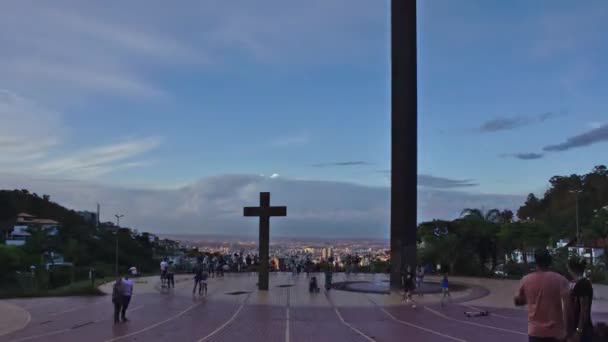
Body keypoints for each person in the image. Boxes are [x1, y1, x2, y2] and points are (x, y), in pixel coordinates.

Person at [514, 249, 570, 342]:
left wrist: (532, 298)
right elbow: (567, 307)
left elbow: (518, 301)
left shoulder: (526, 280)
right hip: (556, 331)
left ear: (536, 262)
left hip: (535, 331)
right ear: (550, 261)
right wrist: (566, 329)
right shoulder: (561, 280)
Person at [567, 258, 593, 342]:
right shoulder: (578, 283)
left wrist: (579, 330)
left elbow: (584, 308)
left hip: (582, 328)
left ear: (572, 269)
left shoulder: (583, 284)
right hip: (577, 325)